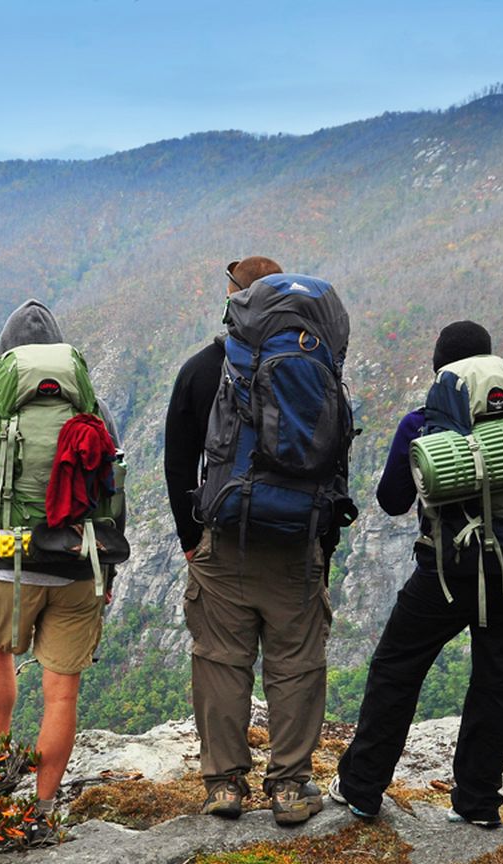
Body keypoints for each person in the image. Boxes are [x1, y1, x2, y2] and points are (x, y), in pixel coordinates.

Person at [330, 321, 503, 827]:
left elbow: (392, 500)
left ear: (442, 370)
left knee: (397, 669)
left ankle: (362, 788)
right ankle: (479, 803)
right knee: (498, 680)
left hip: (448, 574)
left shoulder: (421, 423)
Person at [163, 256, 344, 826]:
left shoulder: (203, 369)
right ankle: (289, 787)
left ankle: (224, 785)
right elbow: (335, 463)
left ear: (236, 302)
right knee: (296, 665)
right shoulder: (318, 366)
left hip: (223, 542)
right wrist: (322, 547)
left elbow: (177, 463)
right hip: (297, 546)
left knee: (221, 661)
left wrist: (192, 539)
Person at [0, 300, 122, 826]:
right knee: (61, 692)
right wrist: (107, 570)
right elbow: (114, 496)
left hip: (7, 561)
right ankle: (44, 810)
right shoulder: (94, 410)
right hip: (78, 562)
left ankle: (2, 761)